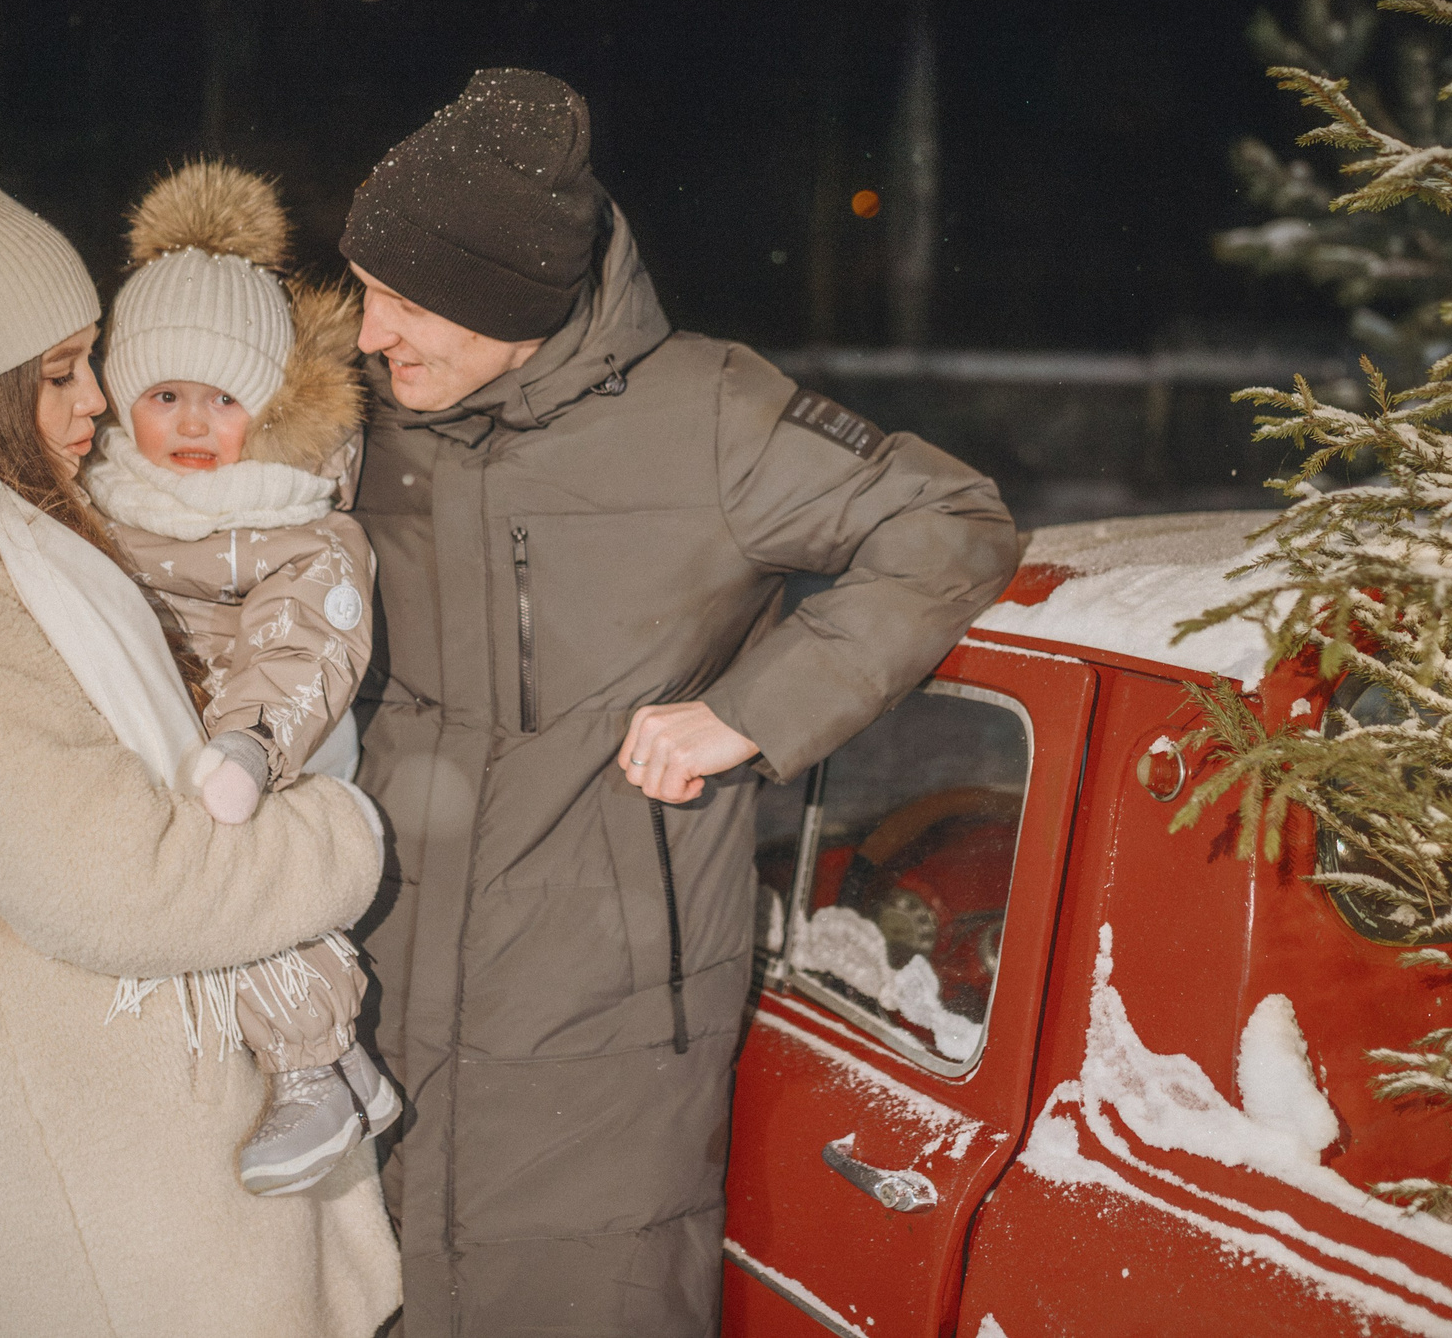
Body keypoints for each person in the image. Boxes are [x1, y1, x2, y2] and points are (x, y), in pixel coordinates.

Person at [340, 70, 1020, 1336]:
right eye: (366, 290)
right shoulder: (362, 419)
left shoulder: (710, 417)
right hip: (372, 966)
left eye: (408, 302)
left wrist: (754, 710)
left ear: (517, 302)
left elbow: (949, 522)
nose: (369, 332)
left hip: (604, 1010)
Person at [0, 136, 399, 1336]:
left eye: (91, 362)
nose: (97, 402)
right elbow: (124, 887)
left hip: (132, 1147)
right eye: (60, 373)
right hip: (97, 1205)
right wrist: (340, 831)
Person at [80, 158, 397, 1194]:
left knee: (242, 876)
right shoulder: (104, 503)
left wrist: (248, 747)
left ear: (265, 411)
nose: (186, 425)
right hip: (160, 740)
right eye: (162, 395)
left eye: (221, 400)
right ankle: (324, 1068)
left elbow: (305, 641)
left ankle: (320, 1063)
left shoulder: (295, 515)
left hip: (271, 747)